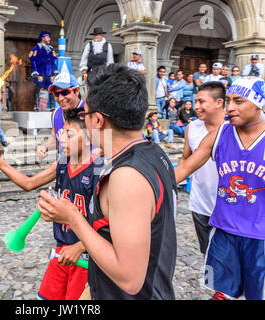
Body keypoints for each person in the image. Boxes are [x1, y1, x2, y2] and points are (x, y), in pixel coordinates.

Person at [37, 64, 178, 300]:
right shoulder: (154, 152)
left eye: (86, 114)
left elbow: (129, 279)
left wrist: (72, 217)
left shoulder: (127, 176)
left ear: (98, 120)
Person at [174, 76, 265, 300]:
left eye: (239, 101)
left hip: (263, 235)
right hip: (224, 230)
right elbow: (185, 167)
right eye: (229, 100)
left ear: (258, 103)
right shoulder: (221, 134)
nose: (230, 107)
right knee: (221, 294)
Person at [0, 107, 101, 300]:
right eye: (62, 133)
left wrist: (80, 246)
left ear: (89, 138)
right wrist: (0, 162)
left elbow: (109, 223)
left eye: (70, 134)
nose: (62, 139)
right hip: (61, 252)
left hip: (86, 259)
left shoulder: (99, 171)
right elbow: (29, 183)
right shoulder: (63, 163)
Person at [179, 81, 226, 266]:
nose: (196, 106)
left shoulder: (234, 129)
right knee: (207, 251)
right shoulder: (193, 127)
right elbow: (185, 158)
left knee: (228, 252)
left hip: (227, 205)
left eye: (201, 101)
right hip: (200, 203)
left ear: (219, 102)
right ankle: (217, 290)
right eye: (195, 101)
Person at [35, 73, 85, 161]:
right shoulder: (55, 114)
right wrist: (44, 147)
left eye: (65, 92)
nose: (61, 98)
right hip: (64, 167)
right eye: (56, 94)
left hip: (86, 169)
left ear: (77, 91)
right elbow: (55, 137)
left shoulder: (89, 112)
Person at [29, 31, 58, 111]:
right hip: (40, 72)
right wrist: (35, 71)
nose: (49, 39)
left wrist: (55, 70)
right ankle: (37, 105)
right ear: (43, 37)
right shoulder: (36, 48)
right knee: (38, 88)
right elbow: (33, 60)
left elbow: (53, 61)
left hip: (50, 72)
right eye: (48, 37)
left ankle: (52, 106)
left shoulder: (51, 48)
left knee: (51, 89)